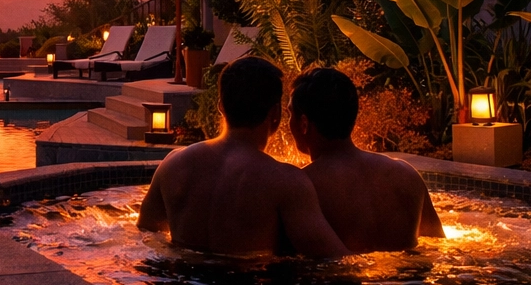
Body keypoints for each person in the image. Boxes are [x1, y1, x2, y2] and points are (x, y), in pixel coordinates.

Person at [137, 56, 349, 258]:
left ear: (221, 106)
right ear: (275, 113)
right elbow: (335, 260)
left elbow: (145, 234)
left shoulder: (172, 164)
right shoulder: (285, 182)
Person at [288, 66, 445, 253]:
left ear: (304, 124)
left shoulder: (303, 187)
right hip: (408, 281)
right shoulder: (406, 174)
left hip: (340, 281)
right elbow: (438, 246)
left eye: (290, 114)